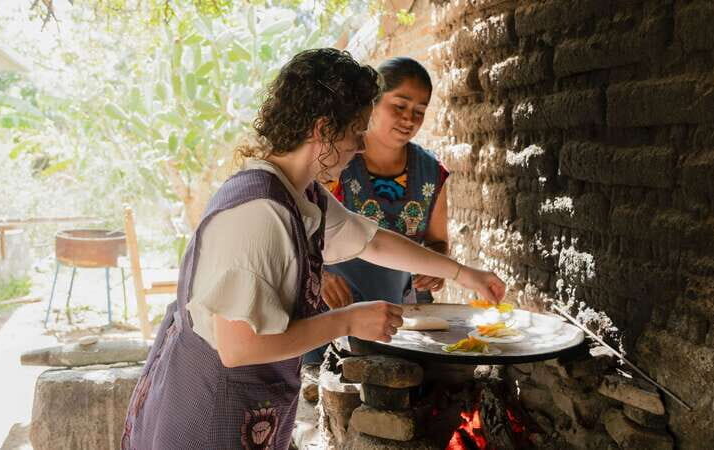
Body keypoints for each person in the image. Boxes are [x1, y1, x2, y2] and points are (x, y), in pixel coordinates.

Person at [121, 48, 505, 450]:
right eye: (356, 131)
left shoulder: (299, 195)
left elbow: (371, 239)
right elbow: (239, 347)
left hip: (243, 406)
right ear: (323, 130)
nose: (360, 146)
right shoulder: (259, 214)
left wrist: (462, 273)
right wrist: (349, 320)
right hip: (208, 412)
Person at [303, 57, 445, 365]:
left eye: (419, 111)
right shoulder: (336, 160)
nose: (410, 118)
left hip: (404, 314)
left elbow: (437, 242)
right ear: (373, 104)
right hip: (336, 307)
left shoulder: (432, 172)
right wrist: (320, 275)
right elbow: (299, 236)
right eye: (400, 105)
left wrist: (436, 269)